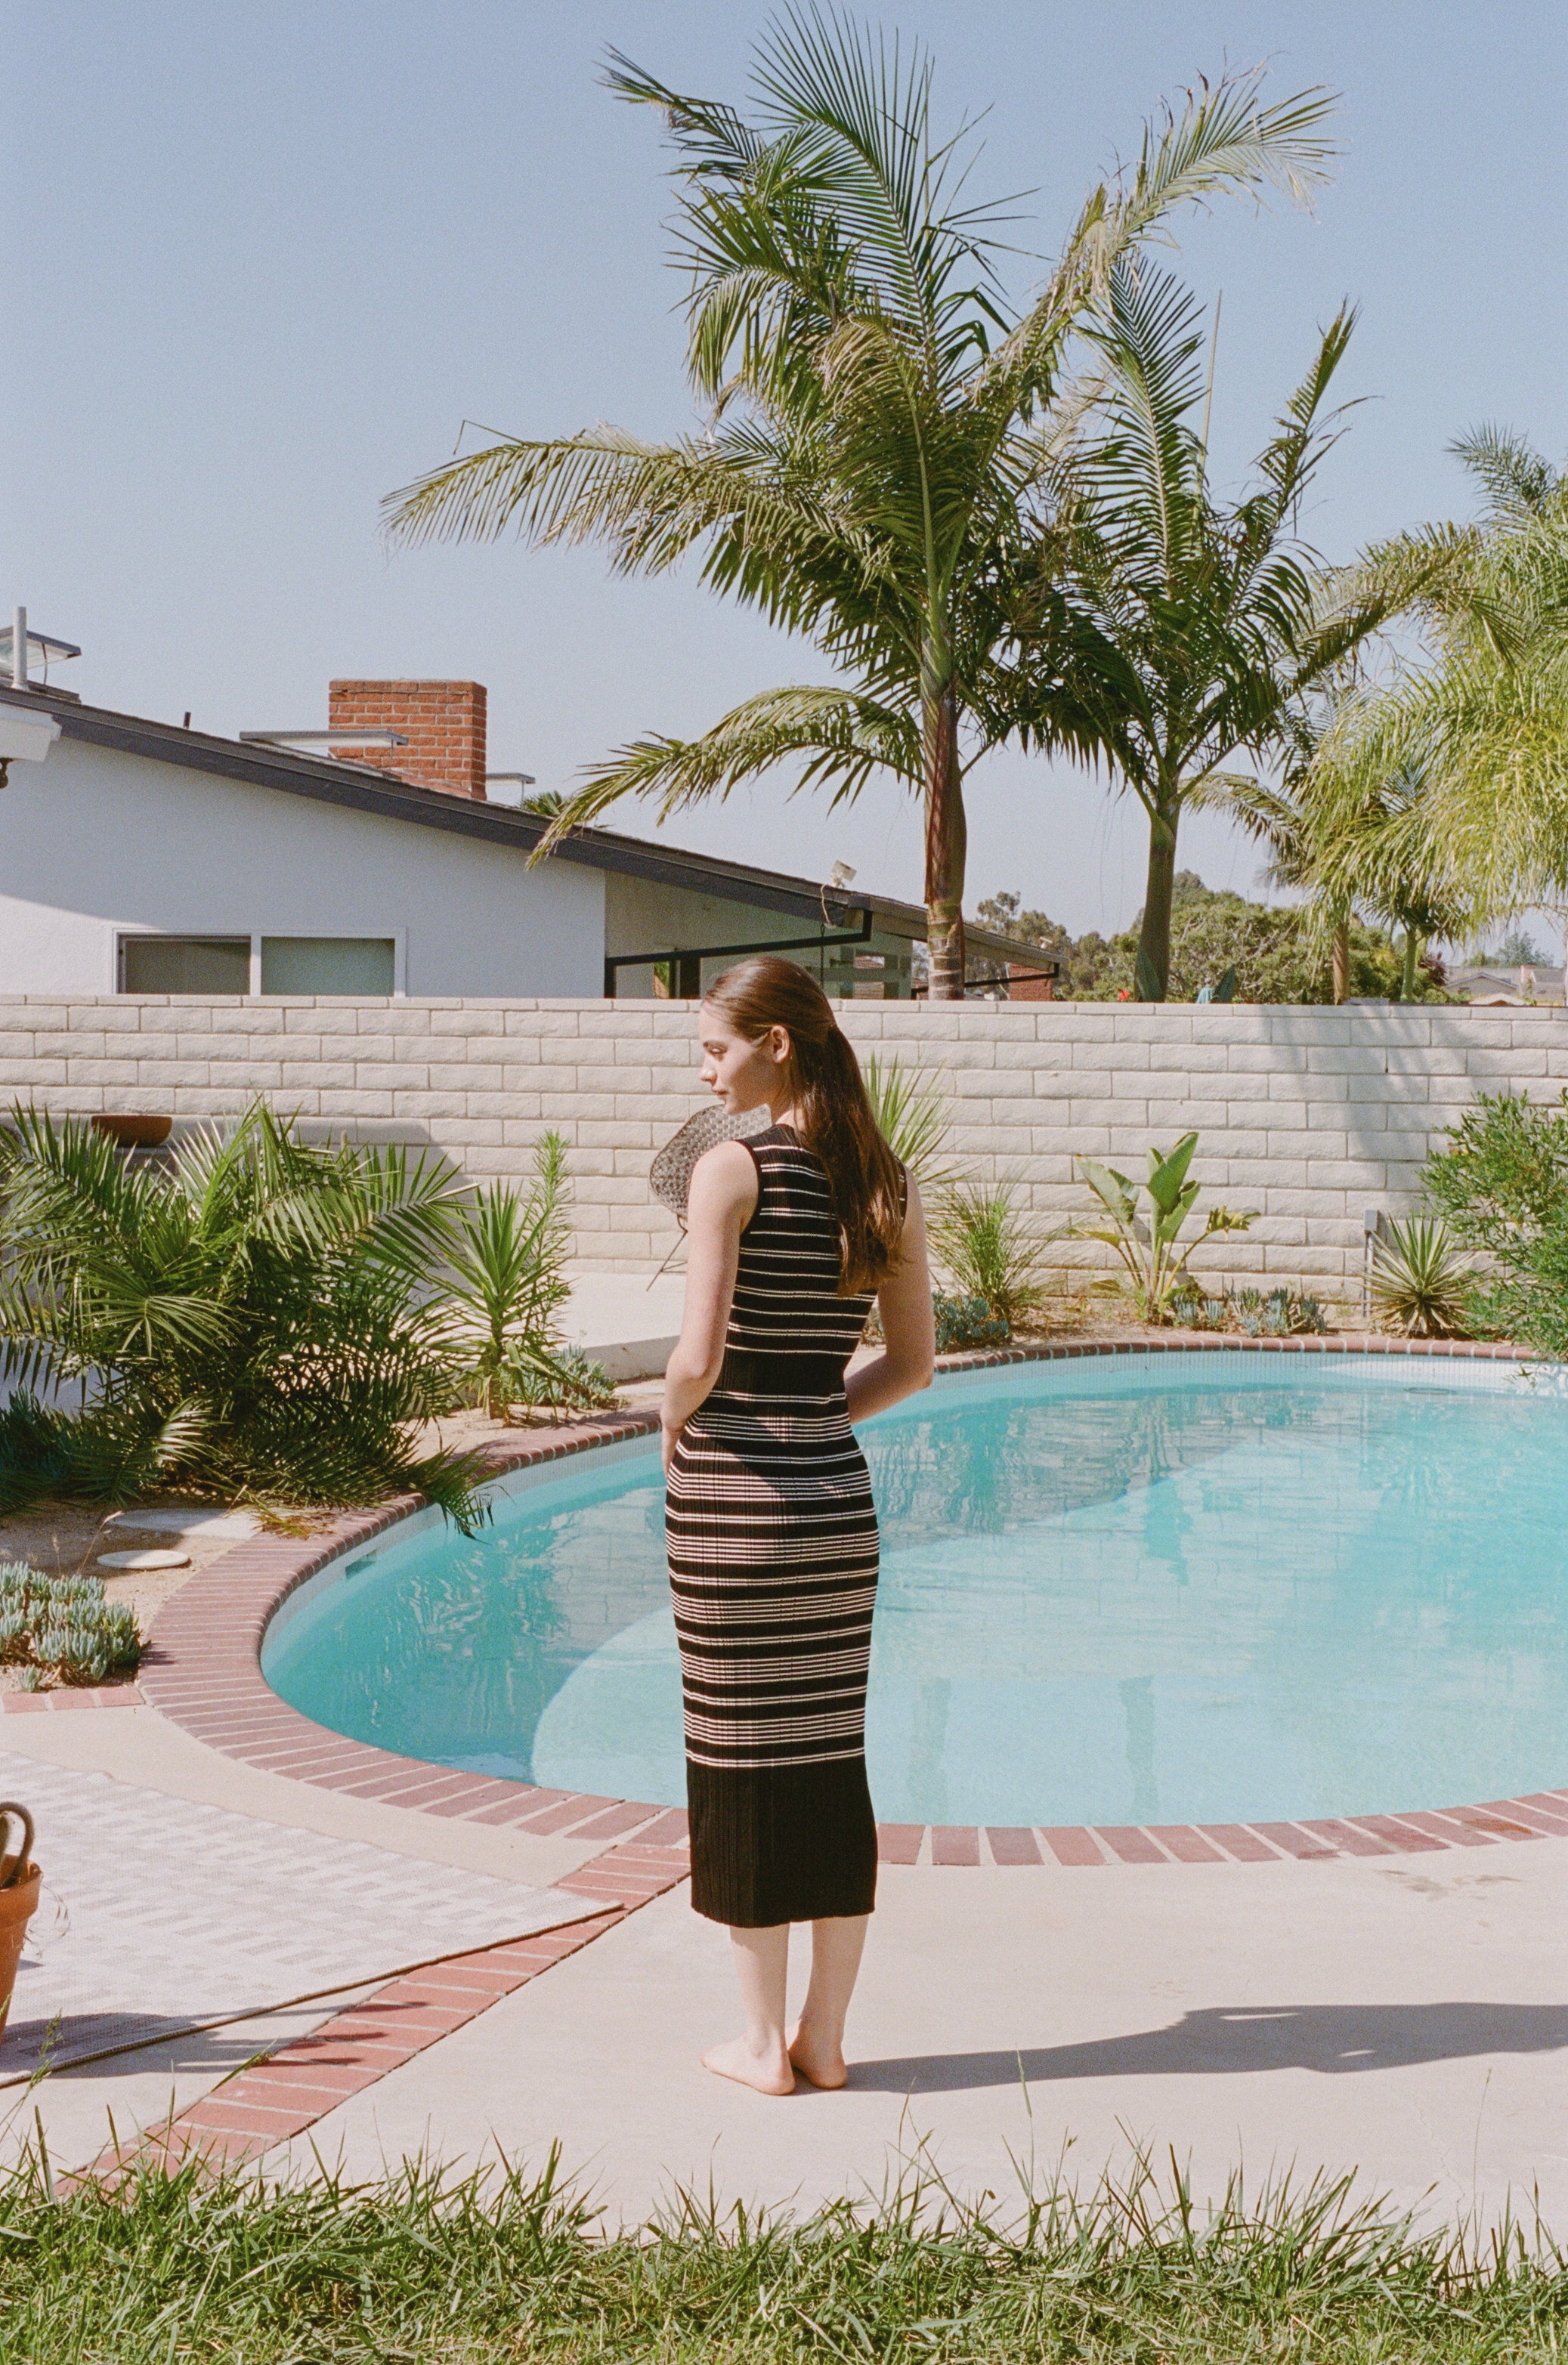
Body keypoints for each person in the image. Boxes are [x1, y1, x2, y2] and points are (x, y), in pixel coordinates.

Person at [661, 956, 935, 2095]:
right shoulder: (886, 1180)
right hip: (835, 1511)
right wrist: (818, 1409)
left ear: (778, 1042)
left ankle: (760, 2044)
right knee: (828, 1758)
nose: (707, 1067)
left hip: (733, 1503)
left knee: (738, 1762)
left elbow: (698, 1355)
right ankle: (826, 2037)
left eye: (717, 1047)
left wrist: (669, 1426)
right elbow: (914, 1366)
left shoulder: (731, 1168)